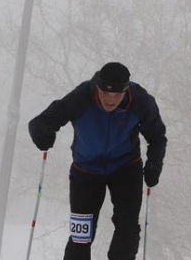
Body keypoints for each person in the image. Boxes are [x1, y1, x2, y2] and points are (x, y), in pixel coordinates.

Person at [29, 62, 167, 260]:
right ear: (97, 87)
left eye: (116, 95)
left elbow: (157, 137)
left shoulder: (140, 101)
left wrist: (155, 163)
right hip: (86, 171)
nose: (110, 100)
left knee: (127, 228)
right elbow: (40, 122)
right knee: (81, 236)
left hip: (125, 168)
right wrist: (41, 133)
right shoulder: (81, 97)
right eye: (105, 93)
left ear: (125, 91)